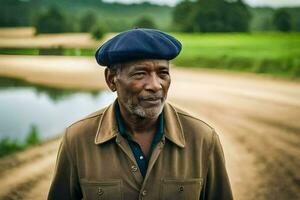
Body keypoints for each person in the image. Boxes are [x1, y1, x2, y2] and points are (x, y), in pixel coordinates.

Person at [48, 28, 233, 200]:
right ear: (111, 79)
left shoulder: (203, 139)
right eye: (140, 74)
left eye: (163, 73)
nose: (155, 85)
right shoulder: (77, 139)